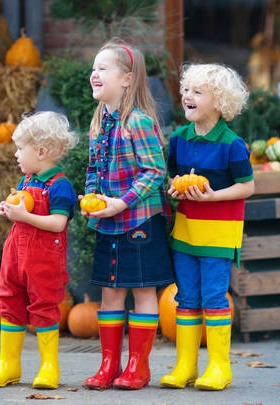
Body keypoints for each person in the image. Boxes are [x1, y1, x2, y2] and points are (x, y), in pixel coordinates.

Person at [83, 40, 174, 391]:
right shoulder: (99, 123)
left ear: (126, 79)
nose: (95, 73)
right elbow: (94, 168)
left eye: (103, 68)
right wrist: (91, 195)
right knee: (110, 291)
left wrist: (122, 202)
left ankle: (139, 365)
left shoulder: (138, 122)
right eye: (94, 67)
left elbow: (154, 171)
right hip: (108, 221)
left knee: (143, 289)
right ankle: (109, 364)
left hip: (138, 220)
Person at [160, 64, 254, 391]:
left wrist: (212, 197)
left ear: (220, 102)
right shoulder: (178, 138)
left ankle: (219, 367)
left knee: (214, 297)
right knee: (186, 298)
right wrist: (174, 186)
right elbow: (171, 176)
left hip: (218, 234)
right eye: (187, 90)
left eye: (198, 92)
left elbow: (247, 186)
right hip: (185, 234)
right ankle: (186, 365)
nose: (187, 96)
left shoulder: (232, 145)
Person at [0, 111, 78, 390]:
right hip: (16, 258)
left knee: (44, 307)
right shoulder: (27, 181)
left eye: (20, 149)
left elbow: (58, 223)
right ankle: (8, 365)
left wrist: (24, 216)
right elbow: (23, 211)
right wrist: (10, 211)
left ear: (41, 151)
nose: (15, 155)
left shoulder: (60, 186)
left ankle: (49, 367)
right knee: (10, 302)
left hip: (43, 261)